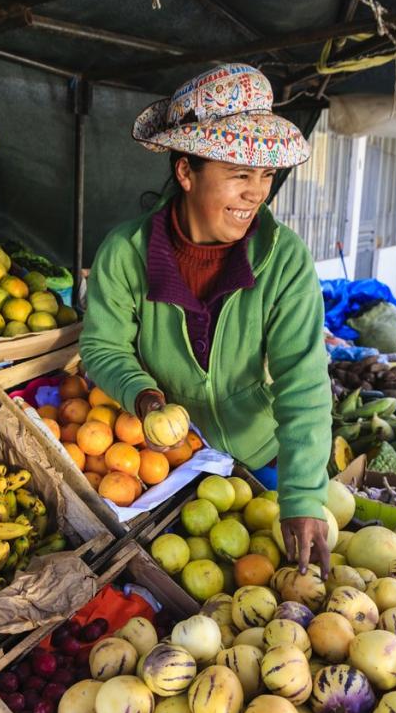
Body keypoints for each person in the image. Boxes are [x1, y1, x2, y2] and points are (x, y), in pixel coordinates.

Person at [80, 64, 332, 576]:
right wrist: (141, 394)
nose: (257, 193)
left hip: (263, 457)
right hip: (172, 467)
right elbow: (103, 346)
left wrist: (304, 495)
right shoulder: (125, 252)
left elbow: (303, 379)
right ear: (186, 172)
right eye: (240, 174)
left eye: (266, 175)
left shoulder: (284, 258)